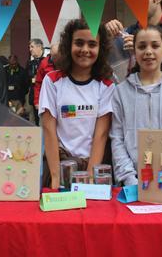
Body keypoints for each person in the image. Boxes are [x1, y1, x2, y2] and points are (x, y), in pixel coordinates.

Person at [110, 26, 162, 187]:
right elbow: (117, 138)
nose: (148, 52)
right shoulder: (120, 92)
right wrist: (129, 179)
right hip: (131, 182)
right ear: (134, 51)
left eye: (155, 46)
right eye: (141, 47)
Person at [39, 19, 114, 189]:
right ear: (68, 45)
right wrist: (56, 177)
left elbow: (101, 135)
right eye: (79, 43)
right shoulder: (52, 81)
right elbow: (49, 130)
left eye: (92, 44)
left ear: (100, 49)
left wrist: (89, 177)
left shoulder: (106, 86)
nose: (85, 50)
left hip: (92, 167)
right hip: (58, 165)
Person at [33, 42, 59, 111]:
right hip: (47, 99)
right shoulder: (44, 63)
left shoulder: (65, 62)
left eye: (58, 55)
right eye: (54, 56)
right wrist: (37, 101)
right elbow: (38, 83)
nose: (56, 58)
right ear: (50, 53)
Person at [27, 38, 45, 122]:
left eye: (32, 47)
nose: (30, 49)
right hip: (33, 97)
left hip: (44, 97)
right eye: (29, 47)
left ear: (39, 47)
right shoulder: (30, 63)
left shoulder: (46, 62)